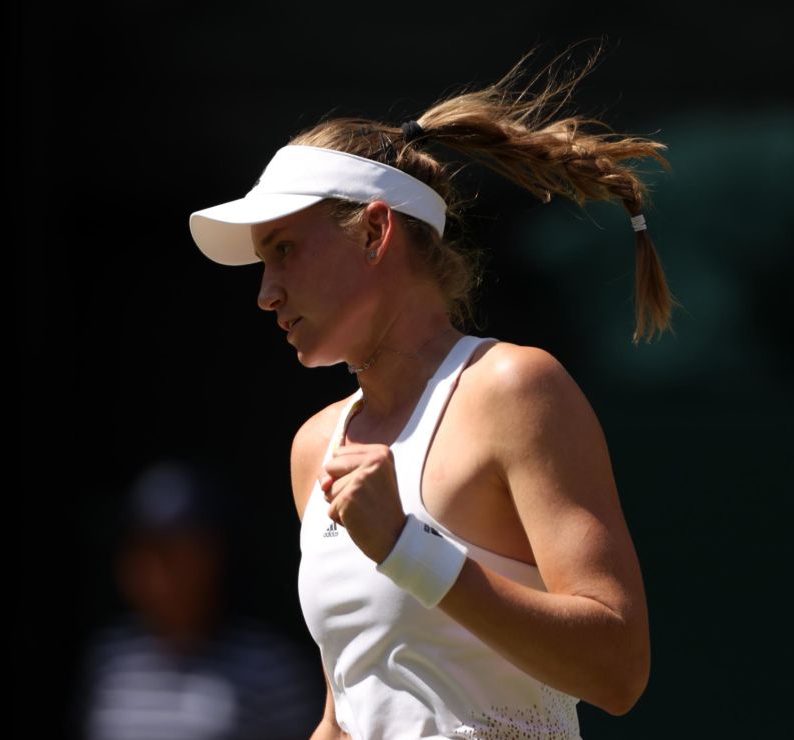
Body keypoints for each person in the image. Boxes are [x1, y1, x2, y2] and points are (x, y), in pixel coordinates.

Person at [188, 49, 673, 739]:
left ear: (376, 232)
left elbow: (618, 671)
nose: (266, 293)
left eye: (285, 250)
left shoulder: (515, 390)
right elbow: (348, 713)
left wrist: (407, 548)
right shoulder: (314, 449)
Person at [73, 458, 322, 740]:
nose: (154, 568)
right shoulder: (108, 661)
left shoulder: (272, 669)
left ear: (212, 556)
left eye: (172, 552)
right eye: (144, 549)